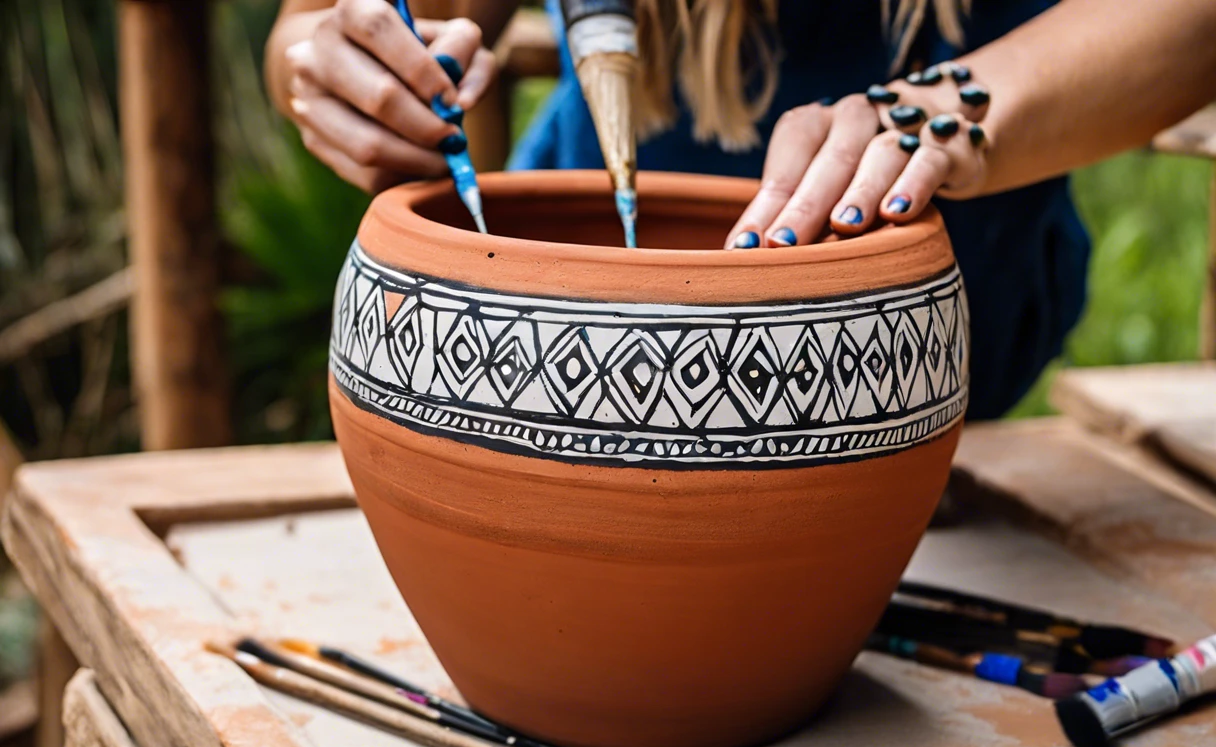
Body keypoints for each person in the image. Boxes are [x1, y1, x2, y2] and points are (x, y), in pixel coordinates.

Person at [265, 0, 1216, 418]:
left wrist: (963, 107)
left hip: (960, 319)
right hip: (562, 301)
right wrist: (333, 64)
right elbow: (319, 26)